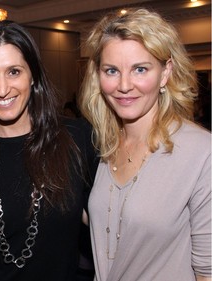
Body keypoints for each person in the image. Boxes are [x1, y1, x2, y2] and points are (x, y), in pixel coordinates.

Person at [0, 20, 98, 281]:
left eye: (14, 71)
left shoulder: (78, 139)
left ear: (33, 74)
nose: (2, 89)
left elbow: (113, 226)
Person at [79, 8, 211, 281]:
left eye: (140, 69)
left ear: (165, 74)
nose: (124, 85)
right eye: (112, 70)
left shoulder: (201, 152)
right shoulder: (102, 146)